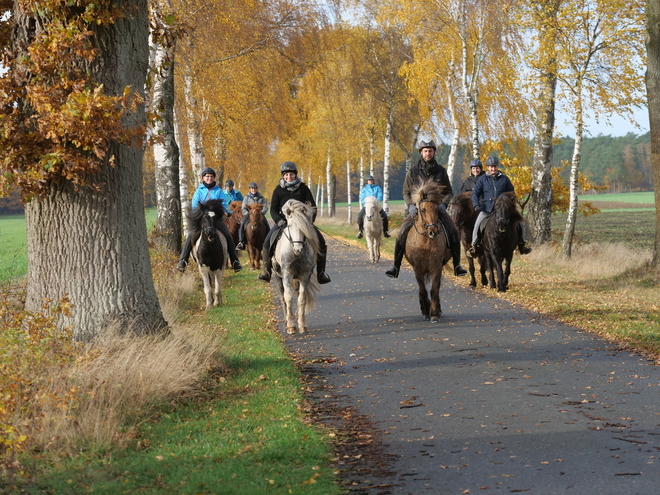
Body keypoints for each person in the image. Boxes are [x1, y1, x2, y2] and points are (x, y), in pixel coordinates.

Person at [385, 140, 468, 278]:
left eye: (430, 151)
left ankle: (457, 265)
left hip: (437, 211)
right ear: (421, 152)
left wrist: (443, 205)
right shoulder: (413, 171)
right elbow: (405, 192)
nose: (428, 153)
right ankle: (395, 266)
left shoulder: (441, 171)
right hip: (417, 210)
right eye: (425, 151)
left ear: (434, 152)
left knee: (453, 229)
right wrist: (411, 206)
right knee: (402, 232)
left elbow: (448, 192)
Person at [258, 161, 331, 284]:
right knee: (267, 242)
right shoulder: (278, 191)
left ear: (295, 175)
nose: (289, 177)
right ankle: (266, 271)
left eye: (291, 174)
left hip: (302, 223)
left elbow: (312, 207)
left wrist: (309, 221)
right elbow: (273, 210)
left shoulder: (303, 188)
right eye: (286, 175)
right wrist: (279, 220)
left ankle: (321, 273)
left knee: (322, 242)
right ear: (283, 176)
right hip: (283, 222)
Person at [177, 167, 243, 273]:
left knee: (228, 234)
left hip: (216, 219)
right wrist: (201, 213)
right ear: (203, 177)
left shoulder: (219, 191)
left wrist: (226, 212)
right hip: (202, 219)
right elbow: (194, 205)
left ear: (213, 178)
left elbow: (224, 204)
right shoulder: (199, 191)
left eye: (211, 176)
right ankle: (183, 260)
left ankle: (235, 261)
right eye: (207, 176)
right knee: (191, 235)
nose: (209, 178)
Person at [468, 155, 532, 257]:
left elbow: (512, 193)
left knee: (520, 222)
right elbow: (475, 193)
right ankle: (474, 246)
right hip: (487, 208)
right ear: (487, 167)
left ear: (498, 167)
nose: (493, 169)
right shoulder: (482, 179)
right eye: (491, 167)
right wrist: (476, 205)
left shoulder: (505, 179)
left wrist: (509, 203)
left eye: (495, 166)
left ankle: (522, 244)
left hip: (504, 209)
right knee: (477, 224)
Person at [236, 182, 269, 250]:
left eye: (255, 188)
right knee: (242, 224)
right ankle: (241, 242)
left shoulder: (262, 198)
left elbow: (265, 207)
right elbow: (243, 208)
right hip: (249, 215)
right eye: (252, 188)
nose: (253, 190)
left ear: (257, 189)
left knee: (266, 224)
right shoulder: (246, 198)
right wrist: (248, 214)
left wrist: (261, 213)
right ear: (249, 189)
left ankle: (267, 241)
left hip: (259, 215)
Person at [356, 175, 390, 239]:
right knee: (360, 216)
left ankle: (385, 231)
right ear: (367, 181)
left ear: (373, 181)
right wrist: (366, 203)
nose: (370, 181)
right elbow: (362, 198)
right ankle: (361, 231)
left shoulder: (378, 188)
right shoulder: (364, 189)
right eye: (369, 180)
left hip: (375, 205)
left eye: (371, 180)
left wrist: (376, 202)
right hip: (367, 206)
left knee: (385, 216)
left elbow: (380, 196)